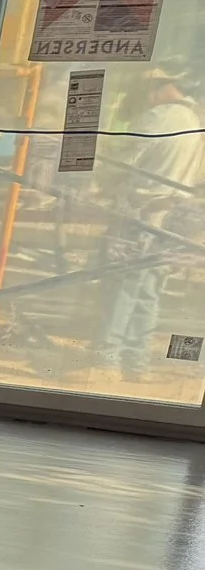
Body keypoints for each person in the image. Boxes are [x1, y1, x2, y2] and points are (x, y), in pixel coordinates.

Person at [100, 70, 205, 381]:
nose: (147, 97)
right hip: (173, 216)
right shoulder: (195, 121)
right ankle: (136, 362)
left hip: (144, 212)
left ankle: (107, 359)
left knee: (124, 286)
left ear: (166, 87)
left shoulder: (160, 117)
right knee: (149, 290)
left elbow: (127, 157)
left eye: (151, 90)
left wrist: (103, 180)